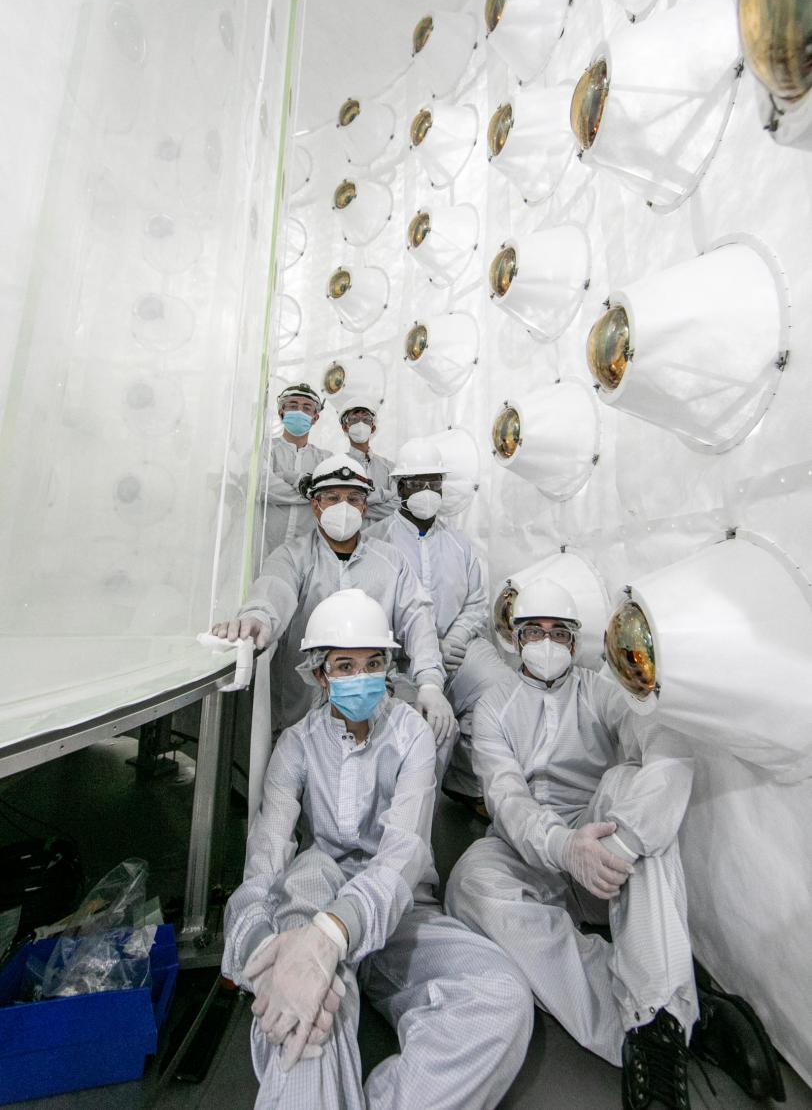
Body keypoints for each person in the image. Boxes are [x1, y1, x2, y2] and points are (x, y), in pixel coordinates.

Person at [445, 577, 783, 1110]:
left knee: (633, 792)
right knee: (470, 883)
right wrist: (563, 847)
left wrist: (624, 840)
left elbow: (669, 750)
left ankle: (657, 1019)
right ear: (516, 637)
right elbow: (508, 802)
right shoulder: (495, 708)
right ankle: (667, 1017)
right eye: (536, 631)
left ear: (577, 640)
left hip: (601, 847)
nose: (548, 643)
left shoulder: (600, 690)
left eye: (560, 632)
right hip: (536, 849)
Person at [222, 589, 534, 1110]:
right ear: (320, 674)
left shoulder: (411, 734)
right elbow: (265, 858)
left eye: (374, 663)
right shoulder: (296, 745)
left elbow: (403, 852)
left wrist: (333, 934)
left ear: (390, 665)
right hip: (316, 891)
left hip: (398, 905)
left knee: (500, 995)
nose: (363, 676)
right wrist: (266, 953)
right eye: (345, 665)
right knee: (304, 1011)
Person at [211, 454, 457, 750]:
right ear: (315, 506)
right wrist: (257, 617)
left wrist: (430, 682)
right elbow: (273, 590)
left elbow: (418, 618)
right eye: (332, 497)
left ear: (365, 507)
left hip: (376, 702)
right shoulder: (293, 557)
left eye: (353, 499)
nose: (344, 507)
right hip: (303, 711)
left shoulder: (391, 562)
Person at [366, 437, 489, 812]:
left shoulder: (459, 544)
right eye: (417, 484)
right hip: (397, 660)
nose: (426, 492)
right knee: (423, 729)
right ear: (400, 488)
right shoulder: (376, 542)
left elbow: (477, 601)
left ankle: (467, 784)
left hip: (452, 650)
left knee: (498, 692)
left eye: (433, 483)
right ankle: (412, 815)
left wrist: (456, 637)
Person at [256, 383, 329, 563]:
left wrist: (282, 475)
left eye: (306, 408)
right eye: (293, 405)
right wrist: (305, 487)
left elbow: (327, 496)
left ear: (315, 418)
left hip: (306, 556)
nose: (299, 411)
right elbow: (263, 486)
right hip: (262, 551)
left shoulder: (326, 459)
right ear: (281, 412)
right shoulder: (264, 448)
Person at [338, 395, 398, 525]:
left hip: (383, 541)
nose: (360, 424)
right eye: (354, 419)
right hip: (348, 542)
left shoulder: (390, 468)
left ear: (373, 428)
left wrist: (356, 505)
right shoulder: (336, 466)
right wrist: (383, 496)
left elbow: (398, 507)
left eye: (366, 419)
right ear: (344, 427)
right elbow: (337, 506)